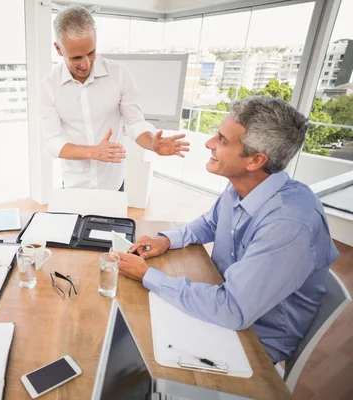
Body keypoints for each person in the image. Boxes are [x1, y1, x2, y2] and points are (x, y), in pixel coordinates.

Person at [117, 96, 340, 364]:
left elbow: (232, 309)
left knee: (136, 345)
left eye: (222, 140)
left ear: (255, 160)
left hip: (253, 340)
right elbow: (211, 222)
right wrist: (165, 239)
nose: (209, 143)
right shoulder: (242, 184)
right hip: (223, 300)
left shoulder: (289, 223)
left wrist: (147, 275)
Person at [41, 5, 190, 191]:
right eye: (76, 58)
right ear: (59, 49)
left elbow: (135, 123)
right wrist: (93, 152)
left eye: (91, 53)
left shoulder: (119, 75)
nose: (86, 64)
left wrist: (152, 143)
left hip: (113, 183)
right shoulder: (49, 85)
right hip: (74, 185)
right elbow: (51, 141)